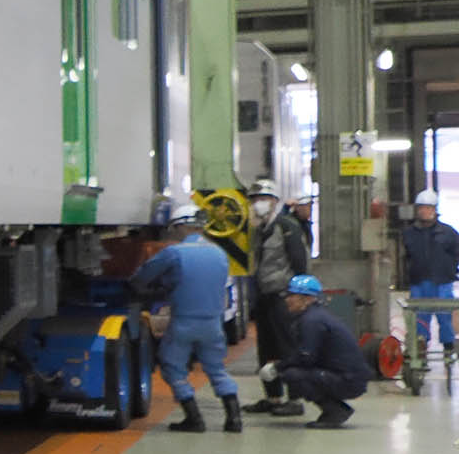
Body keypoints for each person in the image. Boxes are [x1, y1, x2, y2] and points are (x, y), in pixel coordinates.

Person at [130, 204, 242, 434]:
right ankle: (234, 418)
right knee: (216, 369)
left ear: (181, 227)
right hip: (213, 323)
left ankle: (194, 418)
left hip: (184, 323)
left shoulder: (175, 253)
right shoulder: (220, 253)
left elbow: (142, 277)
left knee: (172, 367)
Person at [260, 274, 371, 429]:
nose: (287, 300)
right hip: (348, 376)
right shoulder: (315, 315)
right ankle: (335, 409)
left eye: (292, 296)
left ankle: (335, 411)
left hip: (348, 380)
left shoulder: (311, 321)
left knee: (292, 375)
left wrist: (277, 367)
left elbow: (306, 356)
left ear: (307, 299)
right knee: (293, 370)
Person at [245, 179, 313, 418]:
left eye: (263, 199)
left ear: (275, 202)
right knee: (266, 347)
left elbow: (300, 263)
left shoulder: (287, 227)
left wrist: (298, 297)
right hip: (264, 296)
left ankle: (295, 399)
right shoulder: (259, 230)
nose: (258, 204)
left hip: (284, 297)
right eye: (254, 200)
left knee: (288, 347)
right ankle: (272, 397)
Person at [400, 190, 459, 367]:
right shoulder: (409, 233)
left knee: (445, 317)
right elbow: (406, 256)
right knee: (420, 318)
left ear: (434, 209)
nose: (424, 211)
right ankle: (420, 349)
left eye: (428, 208)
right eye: (422, 208)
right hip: (419, 282)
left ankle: (449, 347)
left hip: (442, 283)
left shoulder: (448, 233)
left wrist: (450, 271)